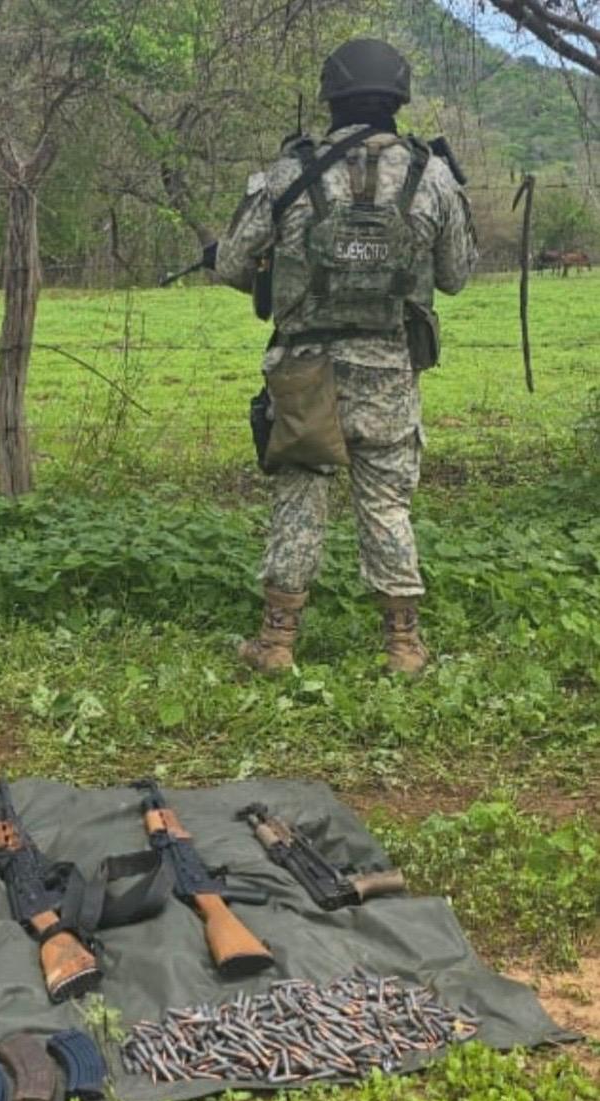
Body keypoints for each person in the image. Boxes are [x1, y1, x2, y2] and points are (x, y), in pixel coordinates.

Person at [206, 38, 477, 676]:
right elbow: (457, 276)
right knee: (387, 504)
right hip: (389, 372)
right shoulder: (432, 176)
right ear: (398, 97)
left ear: (331, 96)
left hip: (305, 372)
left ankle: (276, 643)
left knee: (299, 499)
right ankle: (403, 646)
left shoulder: (289, 173)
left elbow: (232, 264)